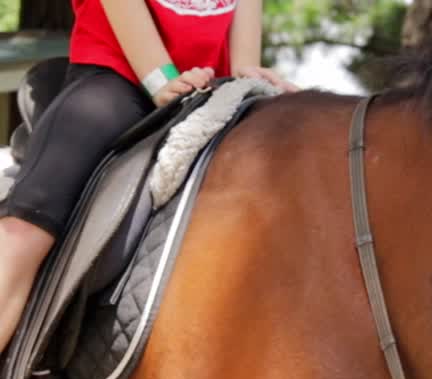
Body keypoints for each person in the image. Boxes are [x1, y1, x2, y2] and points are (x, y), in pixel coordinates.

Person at [0, 0, 296, 355]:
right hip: (117, 78)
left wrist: (249, 76)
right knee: (29, 224)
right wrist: (162, 79)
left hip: (210, 85)